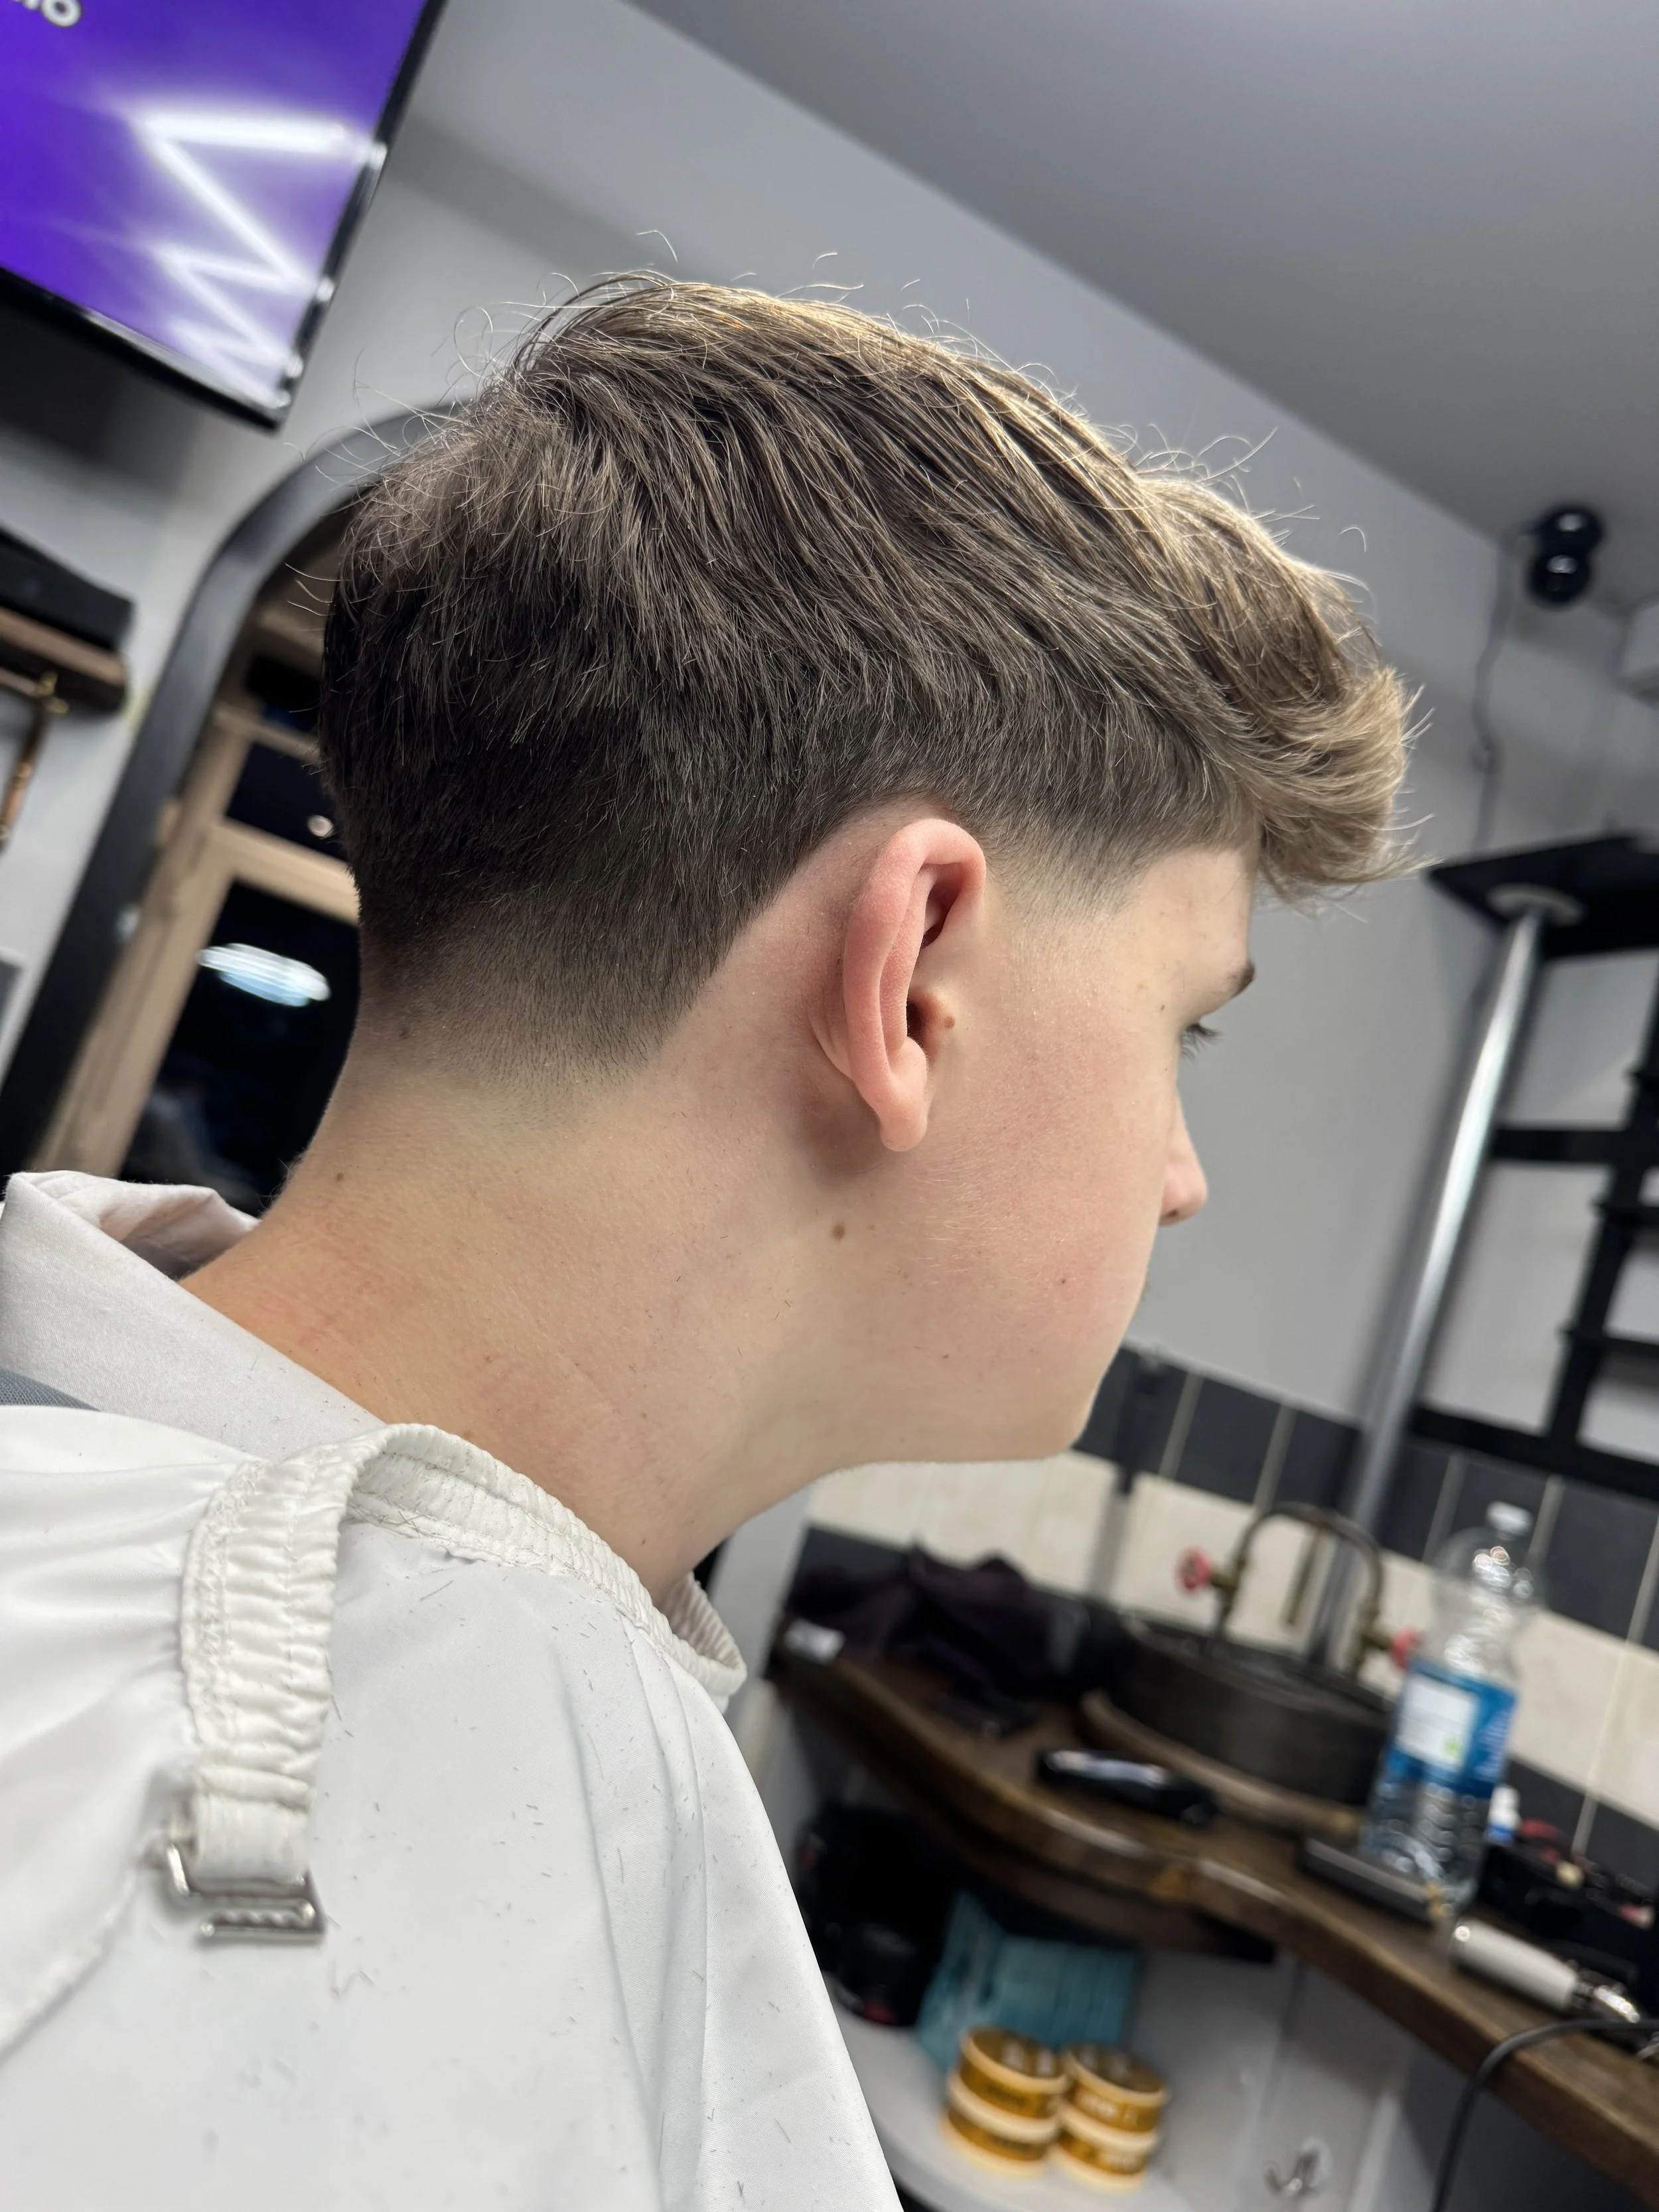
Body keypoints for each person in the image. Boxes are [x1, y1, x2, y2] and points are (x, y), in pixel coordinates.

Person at [0, 279, 1405, 2207]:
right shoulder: (164, 1885)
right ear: (912, 977)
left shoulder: (113, 1503)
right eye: (1188, 1025)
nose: (1181, 1172)